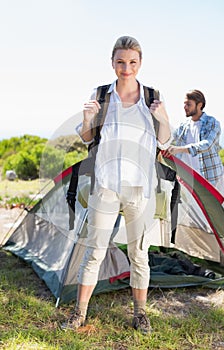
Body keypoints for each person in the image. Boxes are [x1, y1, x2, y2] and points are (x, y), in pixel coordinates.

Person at [62, 35, 172, 334]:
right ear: (112, 63)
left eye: (132, 62)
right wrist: (87, 118)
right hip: (106, 186)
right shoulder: (101, 94)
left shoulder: (152, 97)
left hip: (140, 188)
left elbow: (165, 141)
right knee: (94, 251)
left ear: (140, 64)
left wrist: (163, 117)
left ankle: (140, 314)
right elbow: (87, 137)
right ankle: (78, 314)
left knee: (138, 253)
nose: (127, 68)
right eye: (121, 62)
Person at [164, 89, 224, 201]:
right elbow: (169, 136)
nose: (185, 107)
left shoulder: (212, 122)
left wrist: (180, 149)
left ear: (199, 105)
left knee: (215, 215)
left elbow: (207, 145)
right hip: (190, 181)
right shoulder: (184, 126)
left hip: (211, 178)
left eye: (188, 104)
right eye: (184, 103)